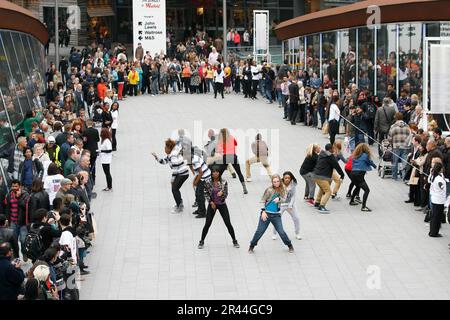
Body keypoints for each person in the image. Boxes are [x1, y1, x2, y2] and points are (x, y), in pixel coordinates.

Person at [248, 174, 294, 253]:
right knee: (259, 231)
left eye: (277, 181)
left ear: (280, 181)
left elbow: (285, 199)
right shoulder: (269, 190)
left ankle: (289, 245)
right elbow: (262, 201)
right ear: (272, 182)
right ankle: (252, 245)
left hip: (276, 215)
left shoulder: (283, 190)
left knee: (281, 232)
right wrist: (263, 211)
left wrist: (279, 199)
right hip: (266, 214)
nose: (276, 183)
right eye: (274, 182)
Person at [198, 166, 239, 249]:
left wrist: (222, 194)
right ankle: (201, 241)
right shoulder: (208, 182)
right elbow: (205, 193)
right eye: (213, 172)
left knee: (228, 223)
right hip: (212, 205)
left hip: (222, 204)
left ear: (219, 173)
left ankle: (234, 240)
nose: (215, 173)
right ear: (211, 173)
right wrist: (210, 202)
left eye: (217, 172)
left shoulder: (224, 182)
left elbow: (226, 194)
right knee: (207, 224)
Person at [152, 139, 189, 213]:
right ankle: (179, 203)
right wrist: (156, 157)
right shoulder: (171, 155)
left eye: (165, 148)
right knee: (176, 188)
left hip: (182, 173)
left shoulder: (173, 156)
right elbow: (164, 161)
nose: (164, 149)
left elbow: (175, 170)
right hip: (181, 173)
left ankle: (179, 206)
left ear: (169, 148)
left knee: (174, 189)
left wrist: (172, 180)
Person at [312, 143, 345, 213]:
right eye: (333, 148)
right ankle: (321, 206)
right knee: (328, 192)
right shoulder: (330, 156)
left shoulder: (321, 154)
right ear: (330, 149)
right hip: (322, 176)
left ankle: (317, 203)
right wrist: (342, 175)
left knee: (322, 188)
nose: (333, 149)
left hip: (315, 175)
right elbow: (337, 166)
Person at [215, 128, 248, 194]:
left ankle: (218, 188)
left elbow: (218, 150)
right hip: (233, 156)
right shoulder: (231, 137)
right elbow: (236, 144)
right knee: (239, 173)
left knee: (219, 174)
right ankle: (244, 188)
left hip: (225, 157)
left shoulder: (221, 140)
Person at [272, 171, 301, 240]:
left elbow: (293, 196)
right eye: (286, 178)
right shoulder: (279, 184)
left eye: (289, 178)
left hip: (290, 205)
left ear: (291, 178)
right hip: (281, 204)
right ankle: (274, 233)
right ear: (283, 178)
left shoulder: (293, 185)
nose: (287, 179)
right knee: (276, 219)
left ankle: (297, 233)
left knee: (296, 218)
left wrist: (290, 205)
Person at [348, 143, 377, 212]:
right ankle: (363, 207)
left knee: (358, 187)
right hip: (359, 174)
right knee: (367, 190)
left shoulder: (355, 155)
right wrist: (375, 166)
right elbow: (370, 162)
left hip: (352, 173)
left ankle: (351, 201)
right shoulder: (365, 155)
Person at [388, 112, 411, 181]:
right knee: (404, 162)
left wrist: (391, 143)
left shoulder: (393, 126)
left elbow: (389, 137)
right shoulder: (407, 126)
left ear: (396, 118)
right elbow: (410, 136)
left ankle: (394, 176)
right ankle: (404, 176)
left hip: (396, 146)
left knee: (395, 162)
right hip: (405, 146)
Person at [190, 146, 211, 219]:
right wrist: (195, 179)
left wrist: (195, 181)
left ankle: (203, 212)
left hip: (205, 177)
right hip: (201, 177)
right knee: (197, 193)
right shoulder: (192, 158)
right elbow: (196, 172)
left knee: (200, 194)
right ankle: (199, 209)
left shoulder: (194, 160)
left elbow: (201, 173)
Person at [428, 162, 447, 237]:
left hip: (435, 199)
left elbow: (429, 180)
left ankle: (432, 231)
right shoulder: (438, 178)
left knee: (434, 216)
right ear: (440, 169)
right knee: (436, 217)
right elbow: (441, 186)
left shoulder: (433, 176)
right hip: (439, 200)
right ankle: (434, 233)